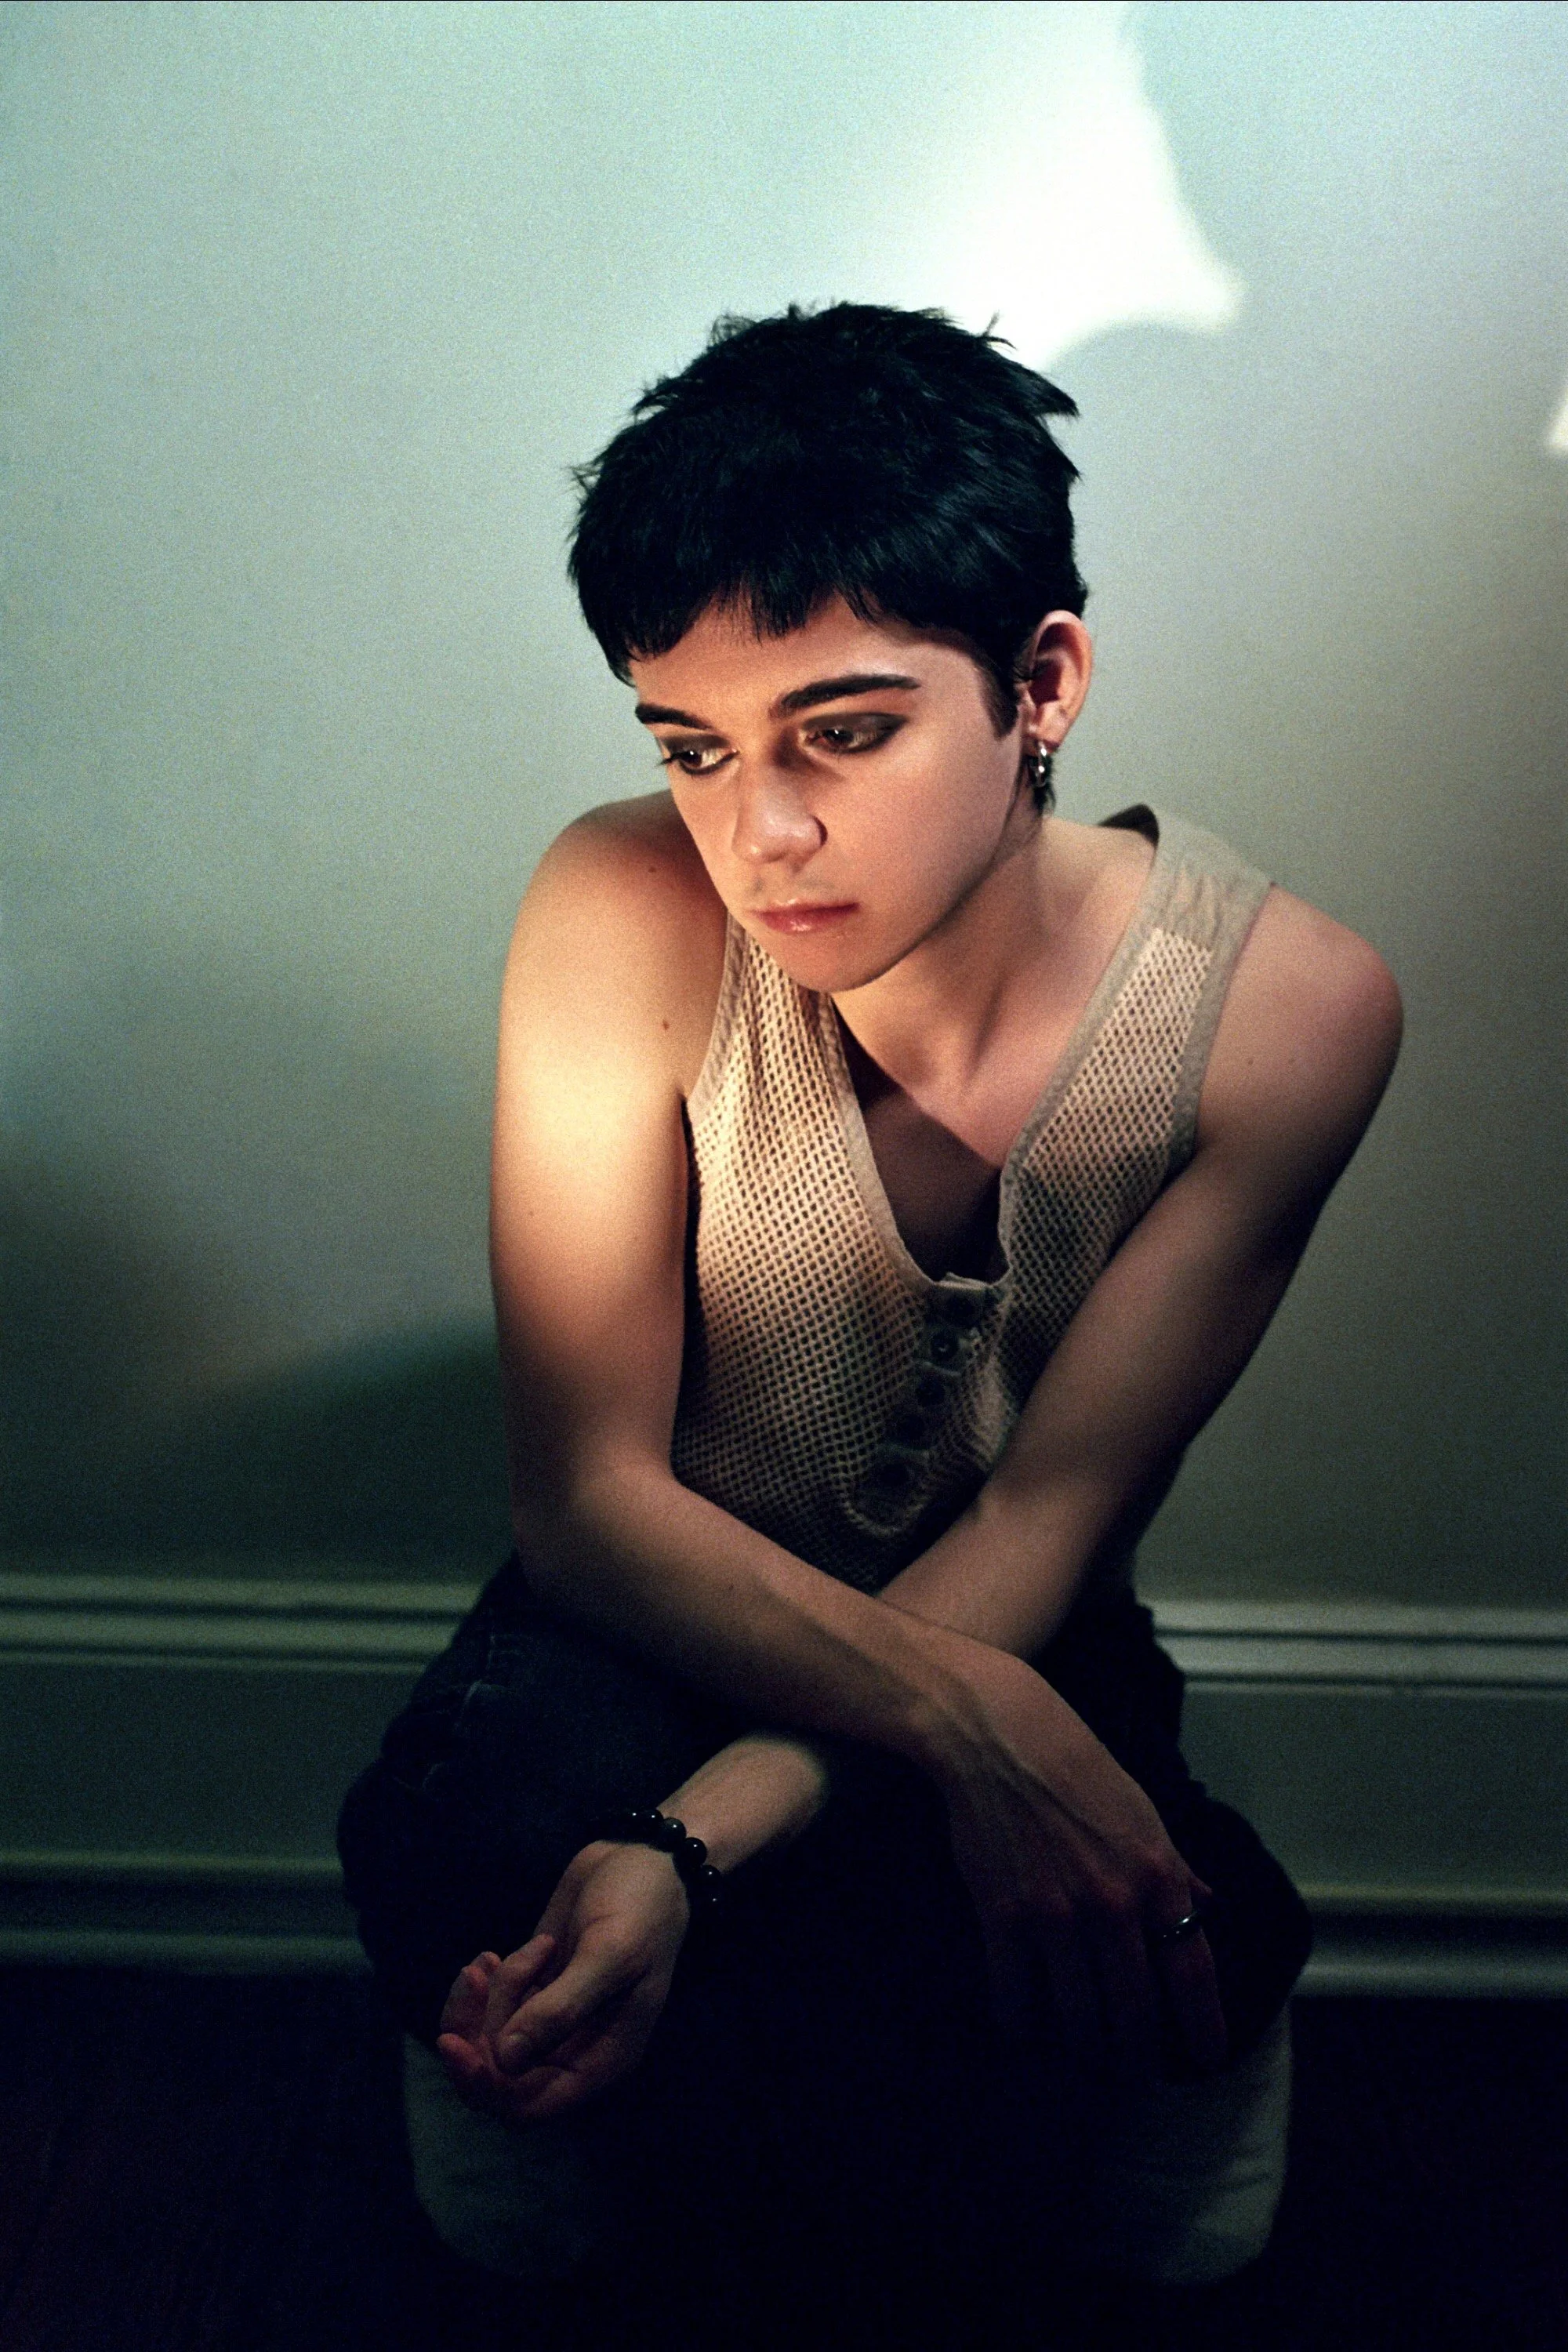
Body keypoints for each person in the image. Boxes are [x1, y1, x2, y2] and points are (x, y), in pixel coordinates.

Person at [337, 303, 1402, 2325]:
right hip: (649, 1605)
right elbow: (586, 1500)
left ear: (1042, 685)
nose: (763, 837)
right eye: (693, 749)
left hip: (1015, 1606)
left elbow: (1041, 1527)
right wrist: (942, 1737)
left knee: (1143, 1942)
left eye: (843, 730)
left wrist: (707, 1841)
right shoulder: (615, 911)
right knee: (468, 1838)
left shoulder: (1287, 1014)